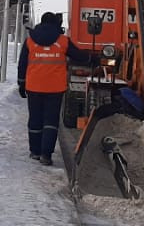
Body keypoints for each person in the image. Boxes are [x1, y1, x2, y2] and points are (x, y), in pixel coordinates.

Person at [17, 12, 94, 166]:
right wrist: (94, 59)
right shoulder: (63, 41)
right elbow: (79, 56)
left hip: (34, 87)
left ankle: (35, 151)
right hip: (55, 89)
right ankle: (46, 155)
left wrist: (21, 83)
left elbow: (22, 64)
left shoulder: (30, 41)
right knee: (50, 121)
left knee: (35, 119)